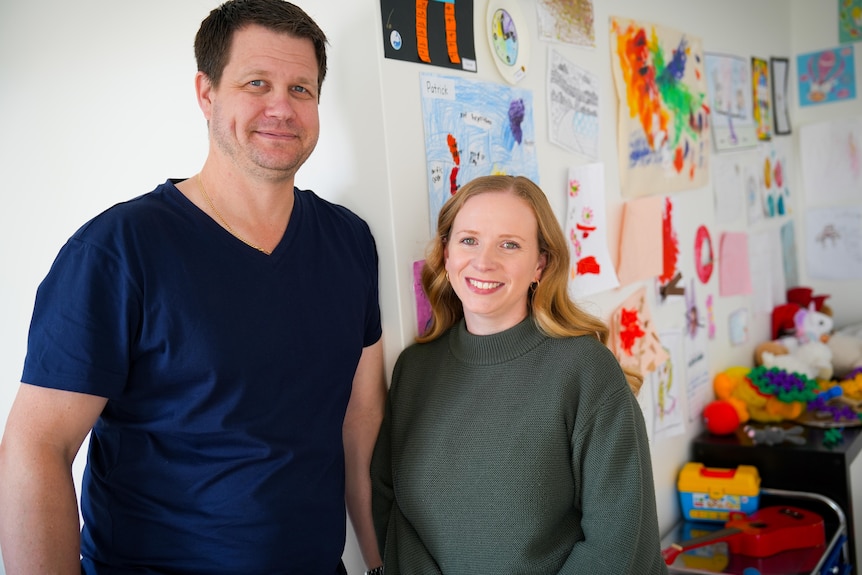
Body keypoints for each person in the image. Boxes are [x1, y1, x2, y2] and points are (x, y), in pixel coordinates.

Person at [0, 1, 386, 573]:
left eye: (301, 89)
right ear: (207, 93)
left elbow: (360, 421)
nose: (282, 107)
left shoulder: (349, 242)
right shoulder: (119, 249)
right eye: (258, 83)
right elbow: (36, 450)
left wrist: (377, 562)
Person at [371, 175, 667, 574]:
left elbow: (618, 542)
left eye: (509, 244)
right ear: (445, 252)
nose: (483, 261)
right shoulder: (415, 370)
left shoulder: (585, 369)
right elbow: (393, 510)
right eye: (469, 240)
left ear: (540, 265)